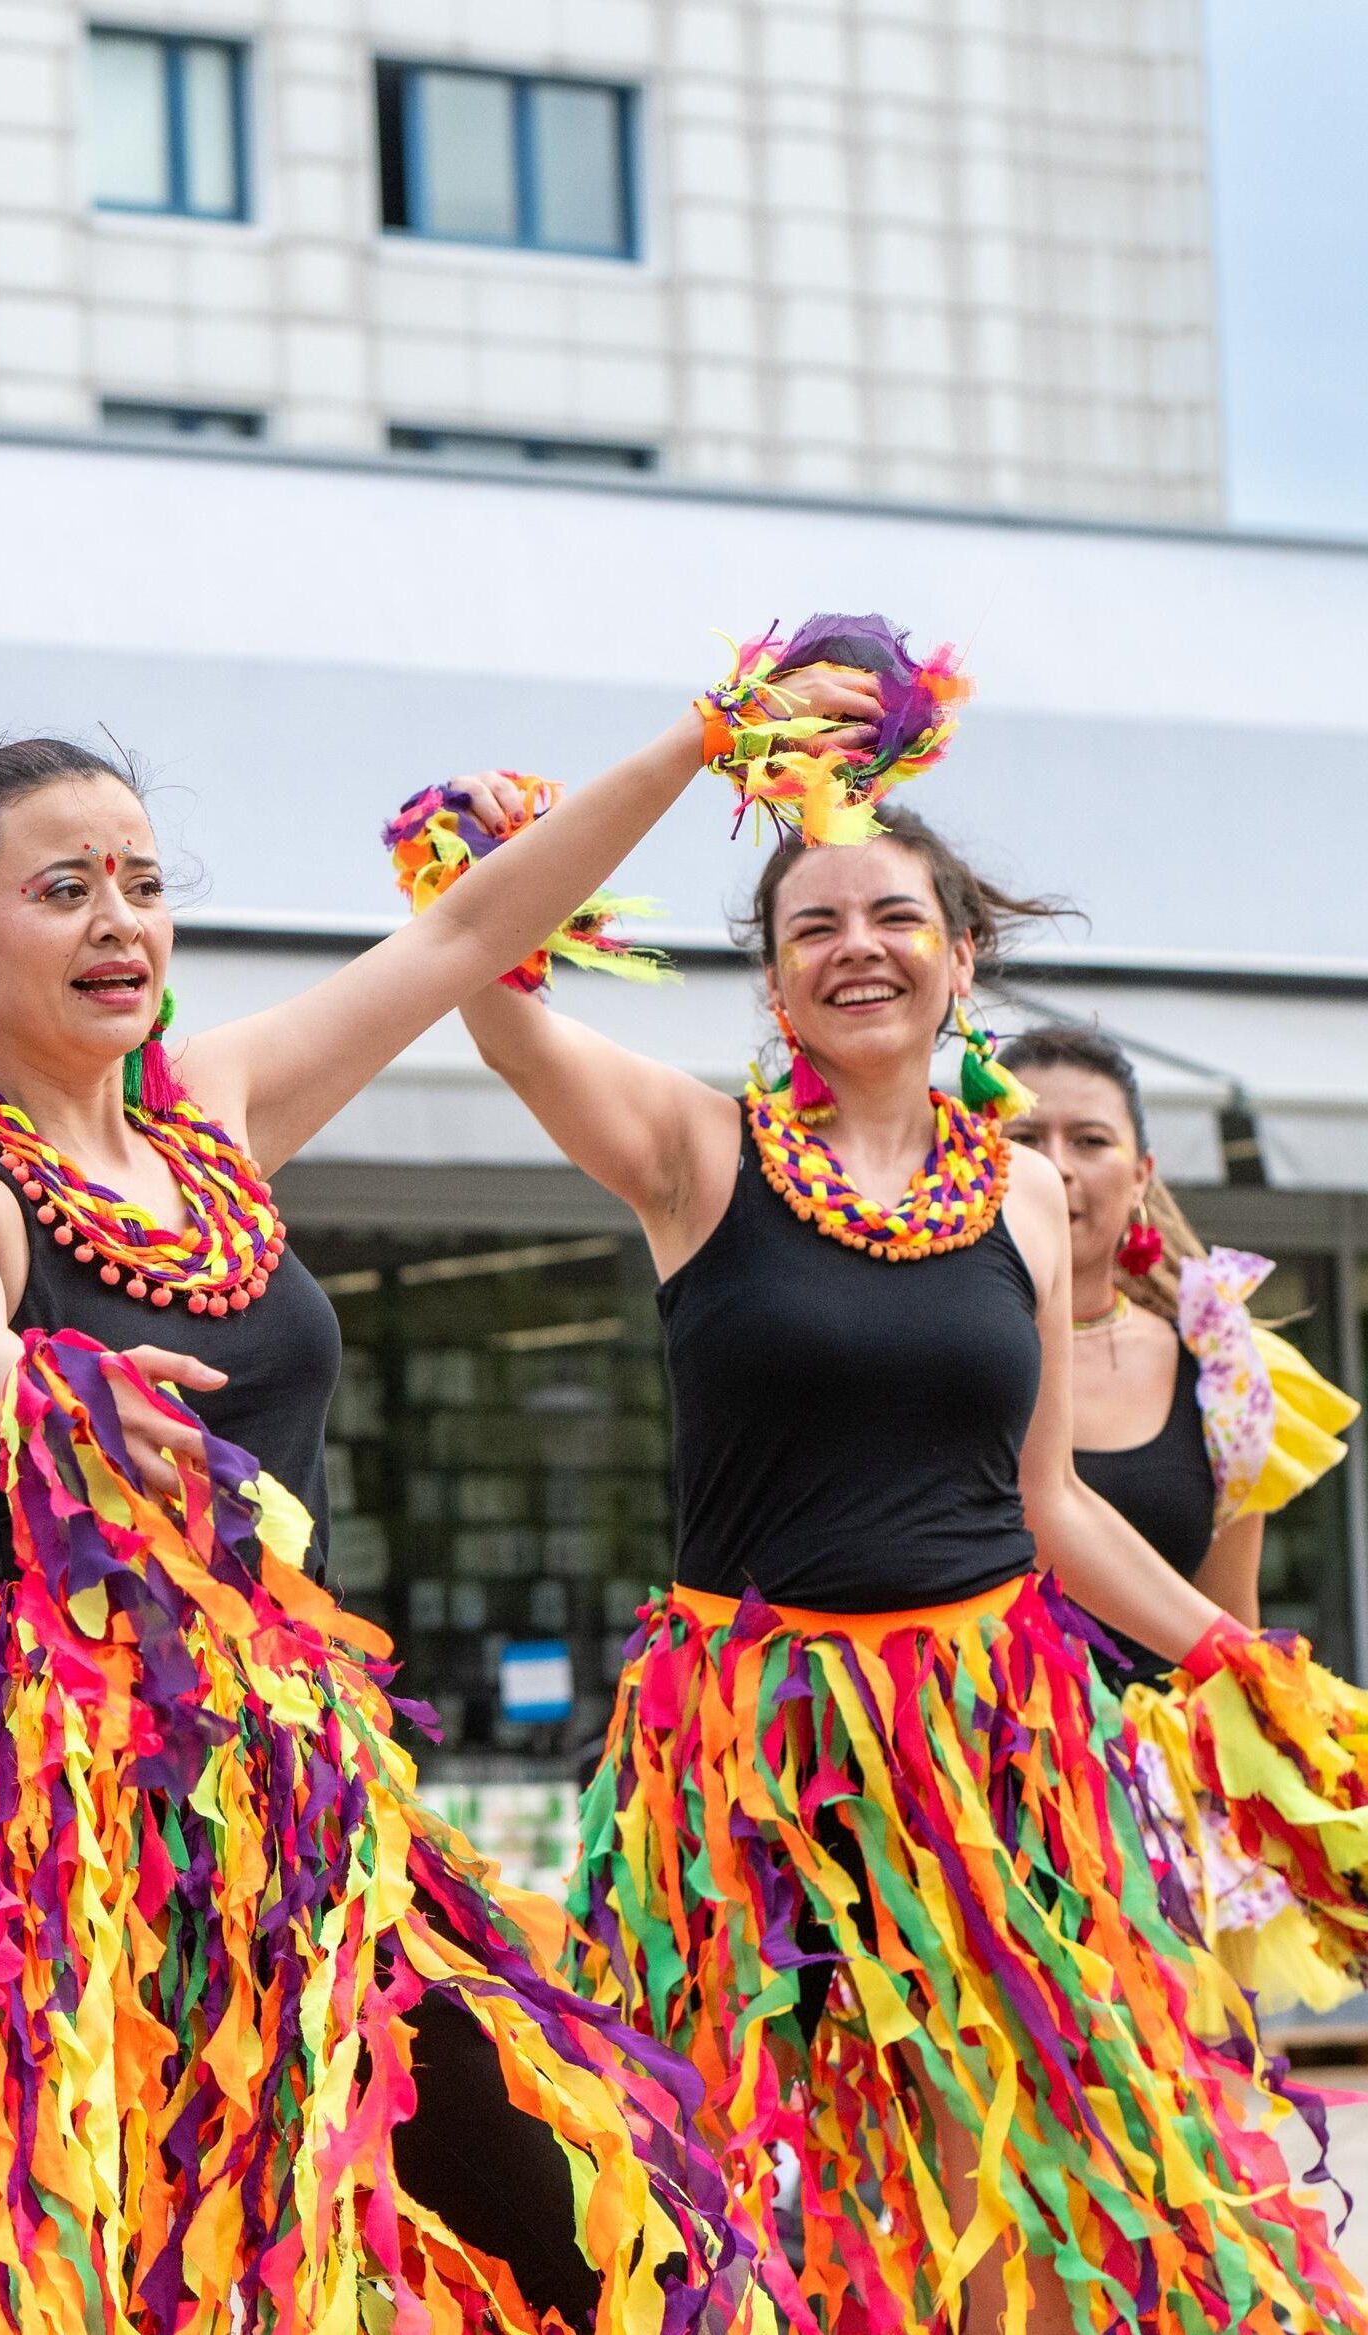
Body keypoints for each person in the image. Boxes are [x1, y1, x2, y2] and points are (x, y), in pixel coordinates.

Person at [0, 697, 870, 2335]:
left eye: (137, 879)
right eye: (62, 891)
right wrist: (57, 1389)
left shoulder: (223, 1112)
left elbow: (473, 928)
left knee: (586, 2228)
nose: (117, 922)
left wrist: (698, 742)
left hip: (294, 1781)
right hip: (59, 1818)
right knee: (100, 2284)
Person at [441, 617, 1365, 2334]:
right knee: (699, 2160)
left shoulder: (1018, 1192)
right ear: (772, 976)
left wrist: (1234, 1664)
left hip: (988, 1738)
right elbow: (489, 994)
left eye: (893, 919)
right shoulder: (692, 1150)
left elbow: (1048, 1508)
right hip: (745, 1750)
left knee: (1010, 2146)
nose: (856, 948)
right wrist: (668, 762)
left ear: (958, 960)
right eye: (813, 926)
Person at [1000, 1023, 1362, 2011]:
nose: (1058, 1168)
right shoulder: (929, 1356)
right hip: (961, 1799)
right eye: (1023, 1137)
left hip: (1150, 1828)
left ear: (1142, 1170)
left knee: (1169, 2143)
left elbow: (1228, 1623)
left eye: (1089, 1140)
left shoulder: (1225, 1369)